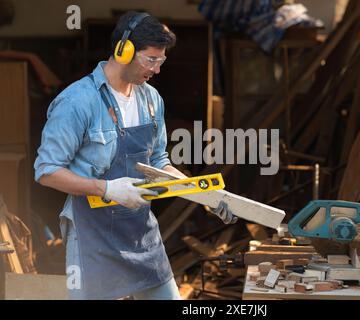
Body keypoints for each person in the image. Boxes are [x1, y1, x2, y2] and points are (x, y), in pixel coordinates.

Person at [34, 11, 237, 300]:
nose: (157, 69)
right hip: (92, 235)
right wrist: (106, 189)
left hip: (140, 232)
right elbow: (46, 170)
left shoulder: (151, 100)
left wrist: (204, 195)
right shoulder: (77, 101)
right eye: (151, 59)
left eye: (161, 61)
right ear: (123, 50)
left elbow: (159, 163)